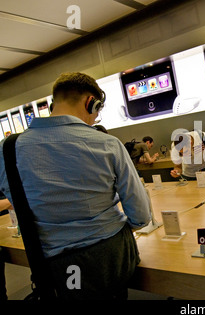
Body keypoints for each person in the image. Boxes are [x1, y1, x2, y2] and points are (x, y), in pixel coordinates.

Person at [0, 72, 151, 300]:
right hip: (111, 257)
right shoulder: (108, 144)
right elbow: (140, 215)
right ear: (91, 102)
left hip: (54, 263)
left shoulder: (7, 149)